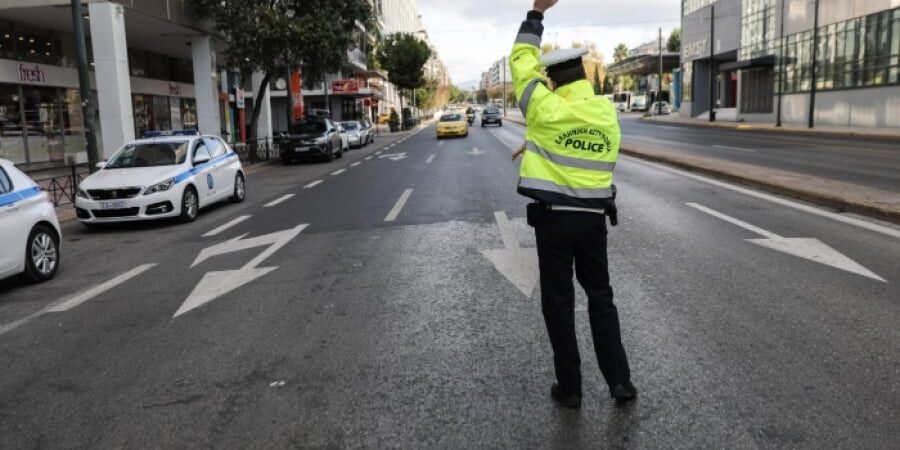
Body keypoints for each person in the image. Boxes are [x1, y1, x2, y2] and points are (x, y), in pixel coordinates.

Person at [510, 0, 637, 407]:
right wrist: (535, 142)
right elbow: (581, 144)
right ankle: (620, 382)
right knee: (601, 298)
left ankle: (570, 388)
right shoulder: (605, 114)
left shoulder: (544, 109)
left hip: (554, 222)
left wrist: (536, 14)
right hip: (594, 222)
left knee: (559, 302)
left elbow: (520, 61)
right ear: (583, 76)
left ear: (552, 82)